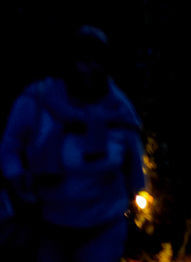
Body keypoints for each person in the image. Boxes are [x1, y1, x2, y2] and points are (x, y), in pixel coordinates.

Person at [1, 26, 146, 262]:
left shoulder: (119, 109)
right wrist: (17, 179)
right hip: (46, 222)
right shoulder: (38, 99)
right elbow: (11, 145)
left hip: (104, 224)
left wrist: (134, 201)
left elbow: (133, 162)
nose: (90, 68)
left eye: (97, 61)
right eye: (83, 60)